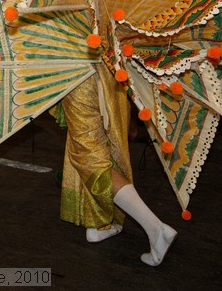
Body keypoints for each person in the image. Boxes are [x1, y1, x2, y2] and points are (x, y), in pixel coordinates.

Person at [57, 66, 176, 266]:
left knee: (89, 157)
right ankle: (99, 224)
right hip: (111, 71)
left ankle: (156, 229)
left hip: (79, 74)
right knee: (108, 147)